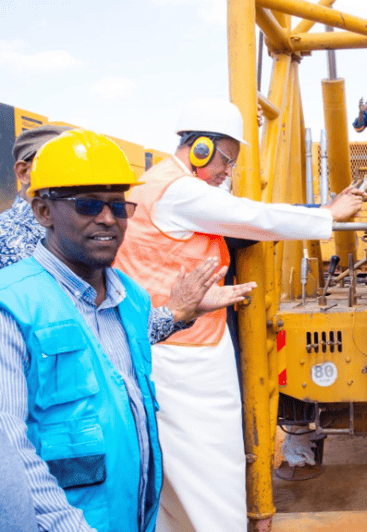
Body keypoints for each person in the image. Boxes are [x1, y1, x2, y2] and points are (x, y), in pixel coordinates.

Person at [114, 97, 367, 532]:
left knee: (177, 474)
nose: (227, 171)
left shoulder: (159, 183)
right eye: (225, 159)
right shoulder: (179, 190)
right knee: (212, 467)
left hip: (170, 341)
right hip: (183, 353)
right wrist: (328, 215)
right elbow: (255, 218)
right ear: (200, 149)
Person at [0, 129, 254, 532]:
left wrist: (178, 311)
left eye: (119, 206)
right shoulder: (11, 305)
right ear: (43, 212)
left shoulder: (129, 299)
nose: (107, 219)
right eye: (87, 205)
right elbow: (9, 456)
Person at [0, 124, 71, 268]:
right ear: (24, 172)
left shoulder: (79, 226)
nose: (72, 173)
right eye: (60, 164)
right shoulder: (5, 235)